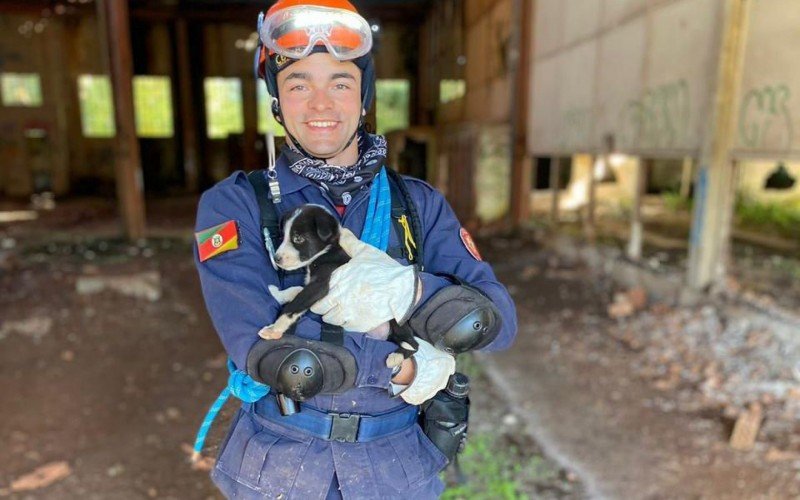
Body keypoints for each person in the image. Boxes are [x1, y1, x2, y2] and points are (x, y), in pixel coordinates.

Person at [193, 1, 517, 498]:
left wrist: (408, 291)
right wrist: (405, 361)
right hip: (282, 469)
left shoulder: (418, 204)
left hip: (397, 471)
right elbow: (274, 355)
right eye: (299, 84)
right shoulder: (237, 205)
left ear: (363, 95)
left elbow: (493, 323)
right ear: (276, 99)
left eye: (340, 83)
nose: (320, 105)